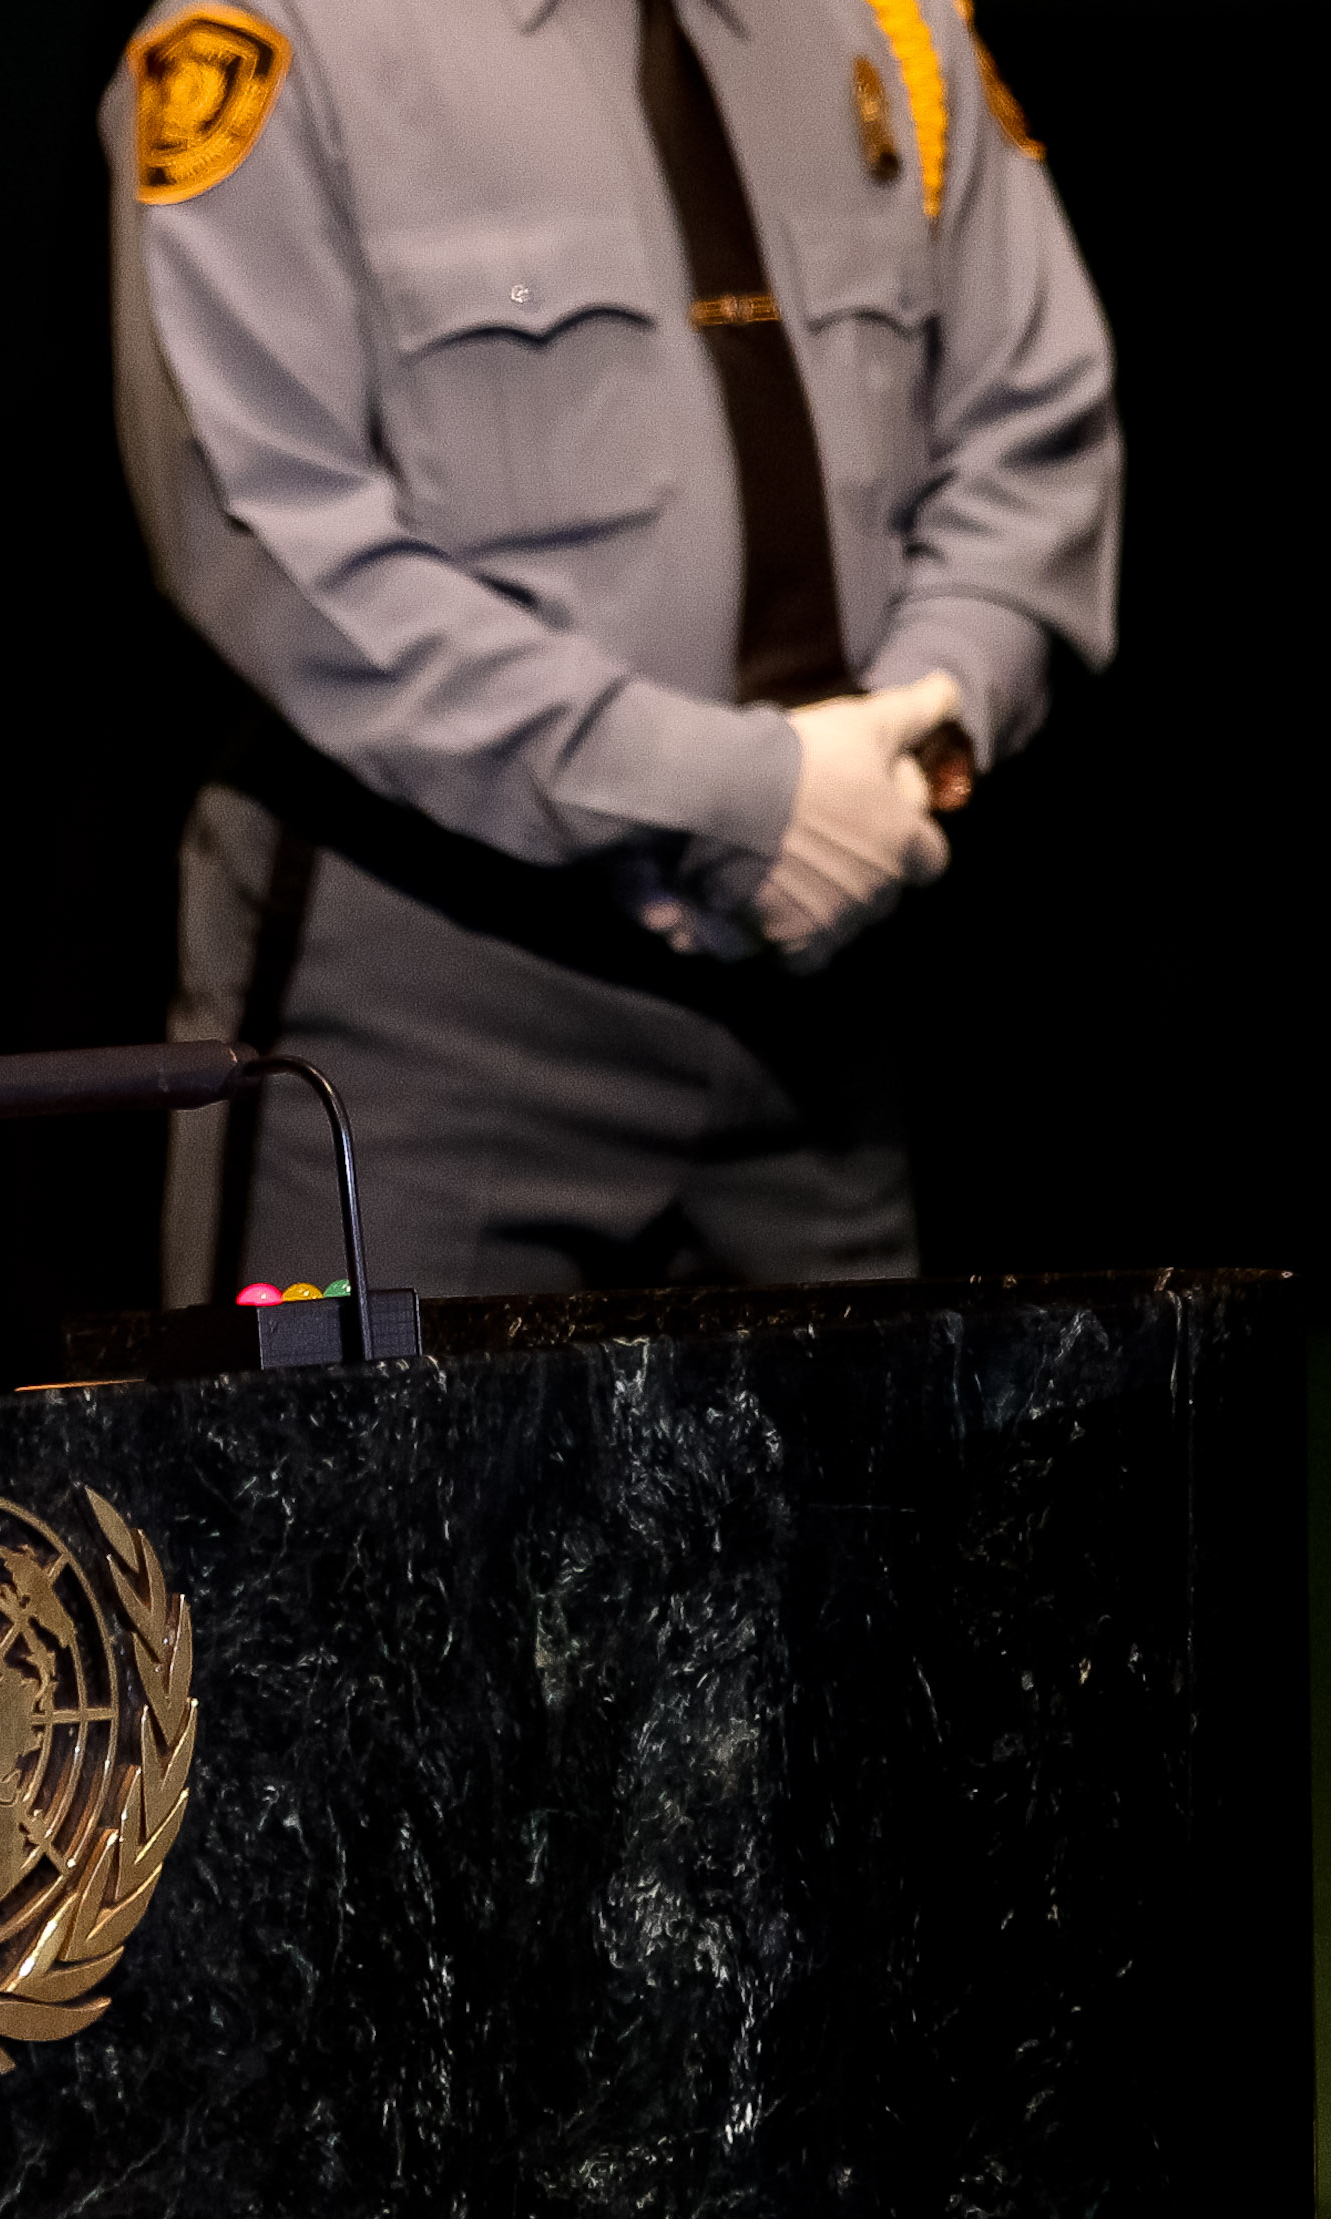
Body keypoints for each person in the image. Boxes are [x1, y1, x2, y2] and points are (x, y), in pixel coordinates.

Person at [102, 0, 1116, 1302]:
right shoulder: (276, 33)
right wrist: (740, 799)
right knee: (353, 1499)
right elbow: (267, 526)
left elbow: (1033, 423)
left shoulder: (888, 24)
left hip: (823, 997)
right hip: (431, 1004)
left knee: (842, 1504)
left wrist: (927, 724)